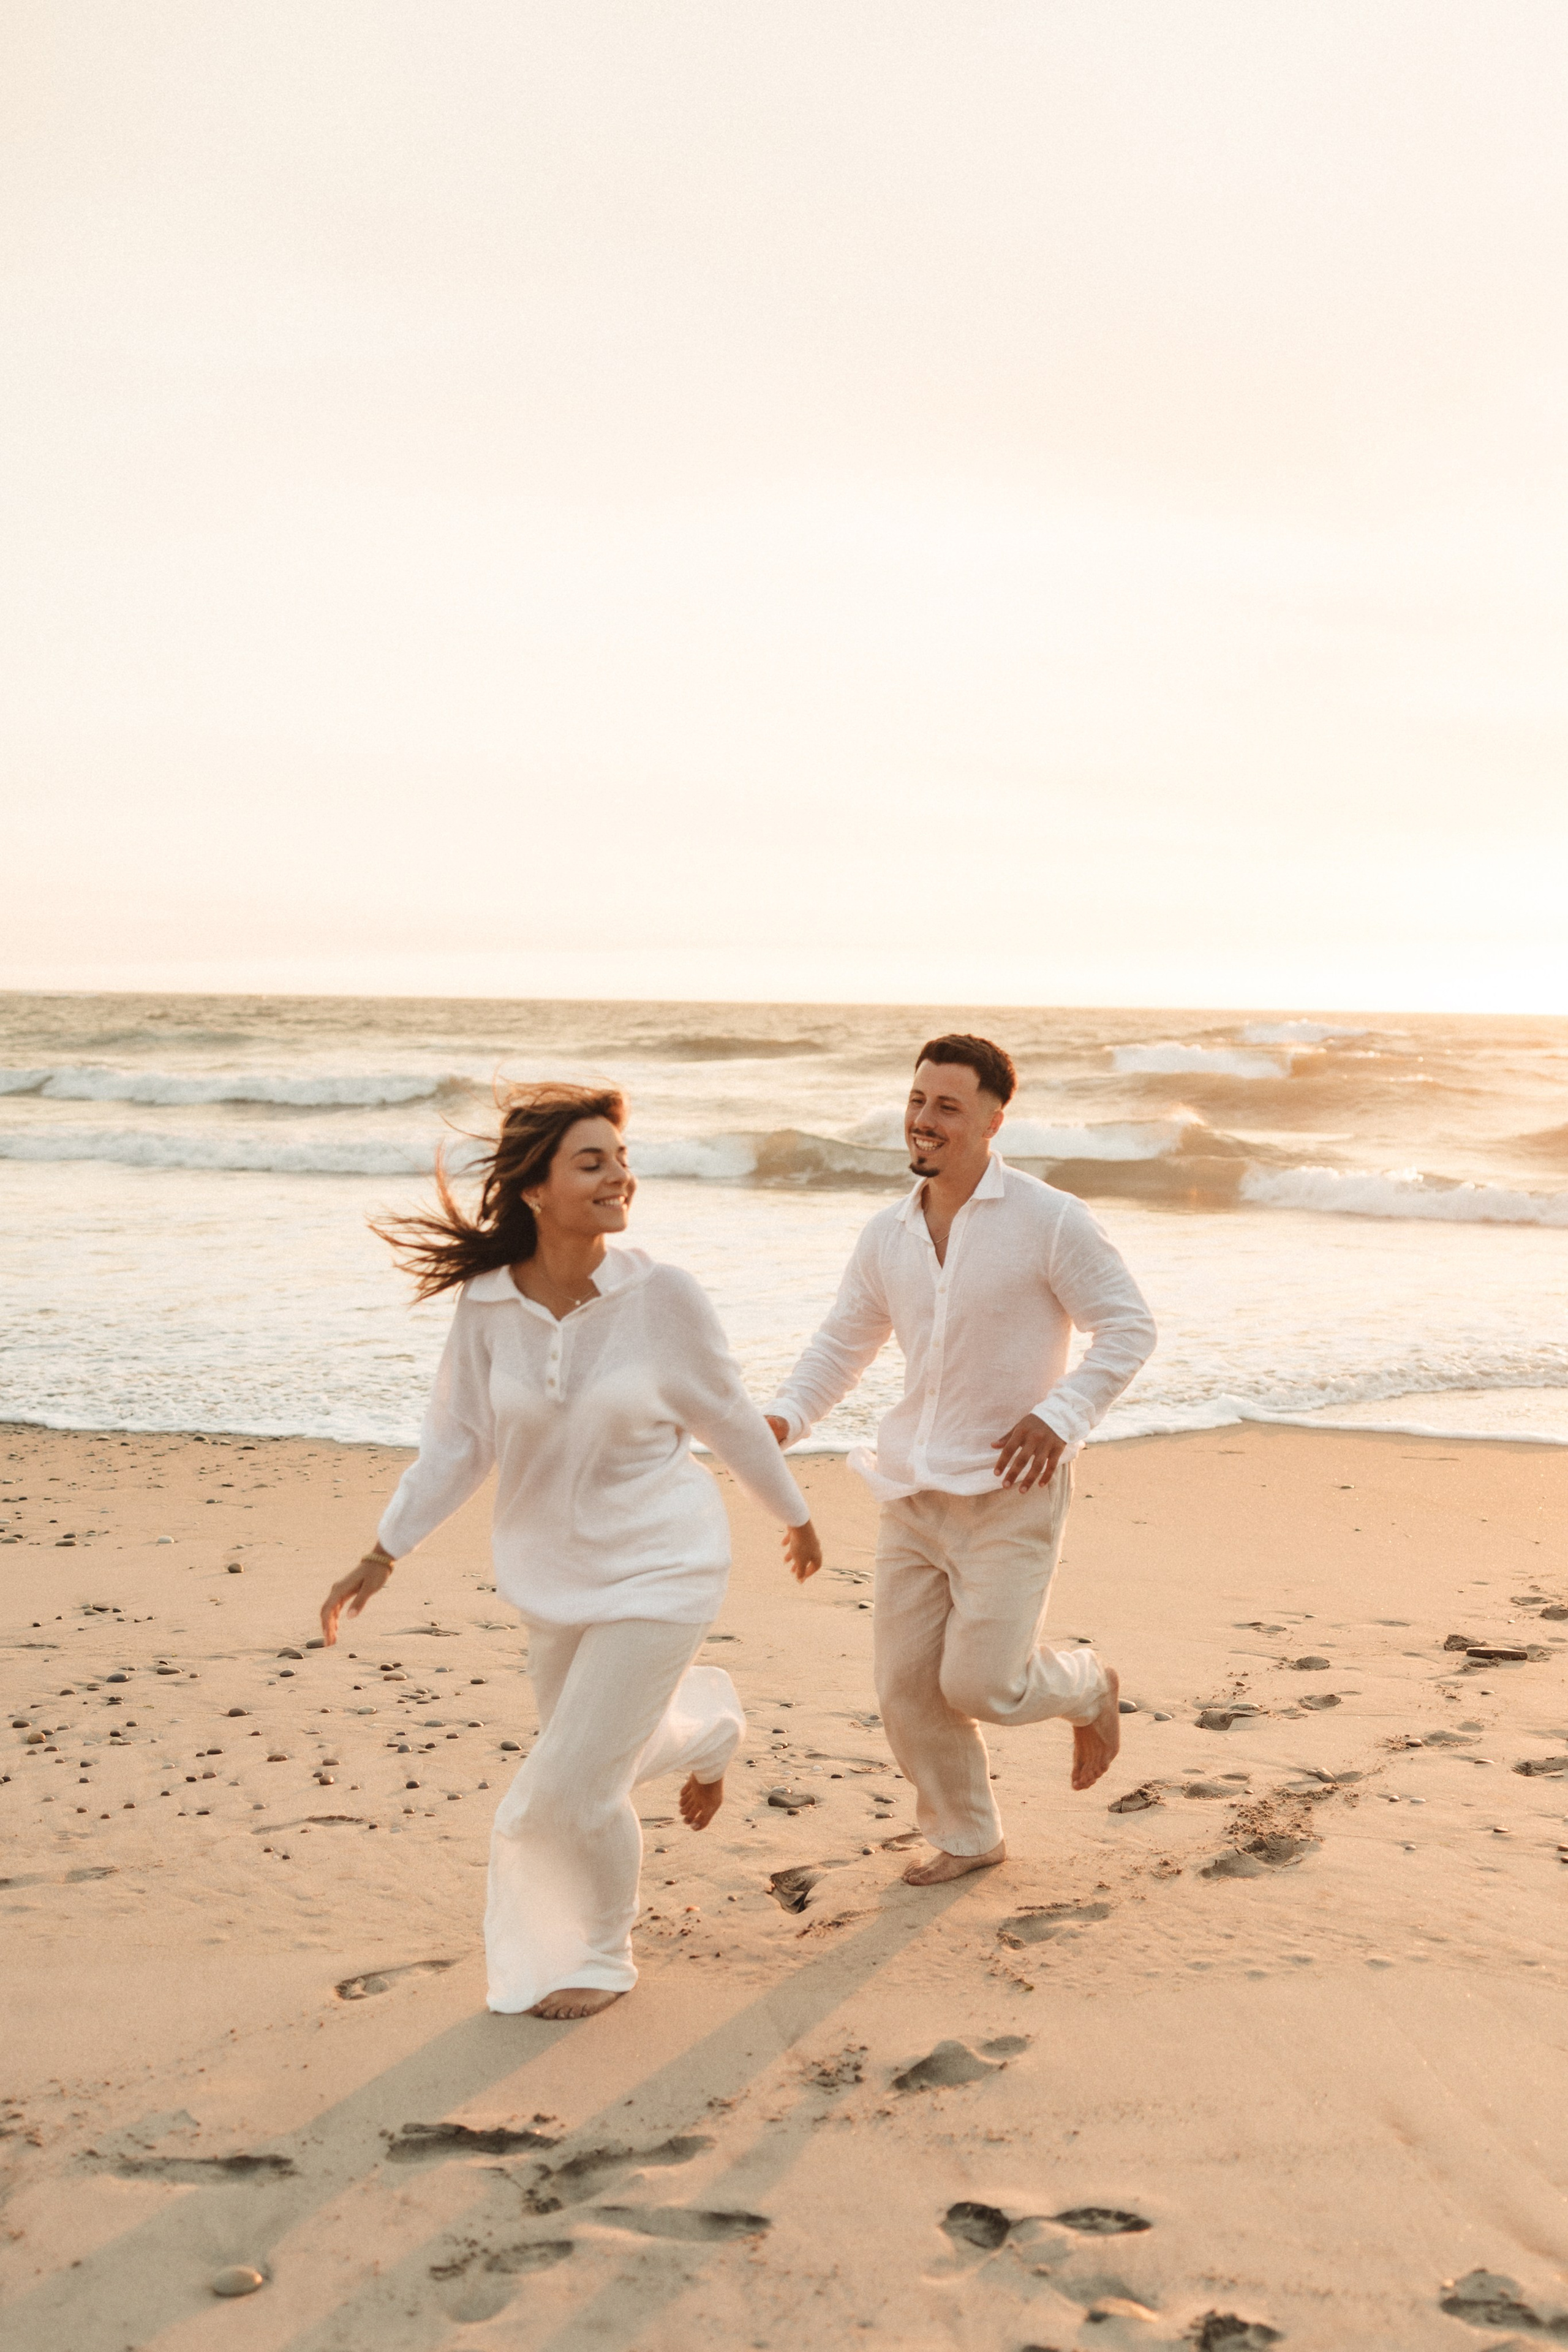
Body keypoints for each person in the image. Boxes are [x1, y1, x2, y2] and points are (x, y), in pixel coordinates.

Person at [320, 1082, 821, 2020]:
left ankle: (596, 1956)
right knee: (596, 1766)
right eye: (593, 1162)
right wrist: (383, 1552)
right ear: (536, 1189)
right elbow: (459, 1444)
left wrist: (792, 1513)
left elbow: (727, 1414)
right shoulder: (487, 1307)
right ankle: (709, 1730)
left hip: (664, 1566)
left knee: (564, 1790)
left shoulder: (663, 1295)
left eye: (622, 1159)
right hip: (552, 1577)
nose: (619, 1176)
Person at [765, 1034, 1156, 1886]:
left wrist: (1061, 1414)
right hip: (910, 1488)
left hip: (1010, 1492)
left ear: (991, 1120)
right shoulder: (887, 1234)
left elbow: (1128, 1326)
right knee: (907, 1690)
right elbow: (844, 1342)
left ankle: (1088, 1685)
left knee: (982, 1684)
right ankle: (970, 1836)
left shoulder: (1049, 1219)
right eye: (917, 1102)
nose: (924, 1121)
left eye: (947, 1106)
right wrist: (786, 1417)